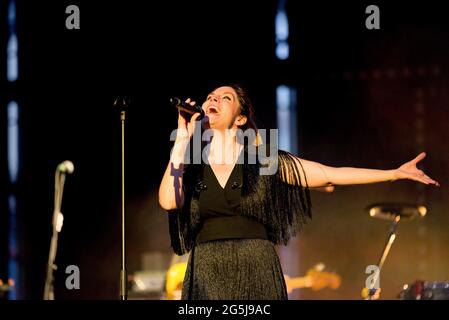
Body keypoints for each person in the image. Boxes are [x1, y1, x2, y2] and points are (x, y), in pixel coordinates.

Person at [158, 84, 439, 300]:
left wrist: (394, 173)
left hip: (255, 267)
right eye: (210, 96)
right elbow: (169, 201)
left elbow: (331, 174)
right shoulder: (190, 165)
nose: (212, 100)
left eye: (225, 97)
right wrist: (183, 139)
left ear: (241, 118)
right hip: (206, 270)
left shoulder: (264, 161)